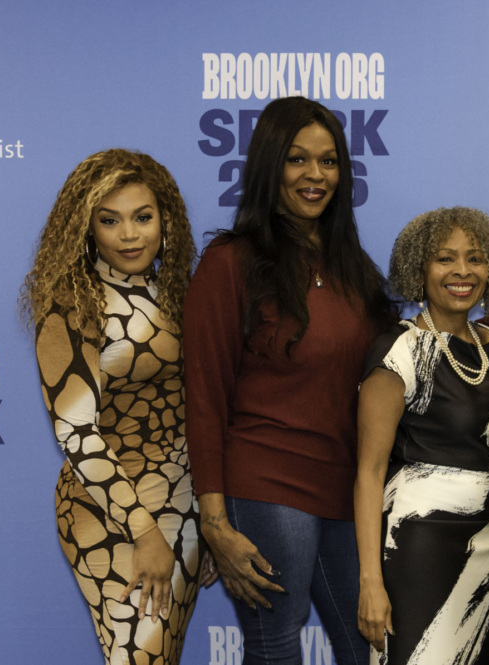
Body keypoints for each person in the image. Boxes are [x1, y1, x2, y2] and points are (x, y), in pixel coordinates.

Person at [184, 96, 395, 665]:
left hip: (346, 485)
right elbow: (204, 395)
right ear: (269, 165)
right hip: (267, 477)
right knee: (277, 644)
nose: (315, 175)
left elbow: (399, 360)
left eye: (328, 161)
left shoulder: (353, 267)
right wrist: (215, 523)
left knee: (369, 647)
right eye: (298, 160)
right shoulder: (231, 262)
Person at [23, 148, 210, 664]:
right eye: (110, 221)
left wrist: (210, 518)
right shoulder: (72, 303)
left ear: (164, 218)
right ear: (87, 228)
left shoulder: (176, 290)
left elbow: (199, 409)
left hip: (184, 505)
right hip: (108, 511)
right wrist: (144, 530)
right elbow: (77, 433)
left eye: (142, 217)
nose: (130, 235)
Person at [354, 207, 489, 664]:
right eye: (445, 259)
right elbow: (368, 472)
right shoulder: (399, 350)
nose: (462, 271)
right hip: (418, 544)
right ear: (419, 269)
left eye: (475, 258)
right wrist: (371, 581)